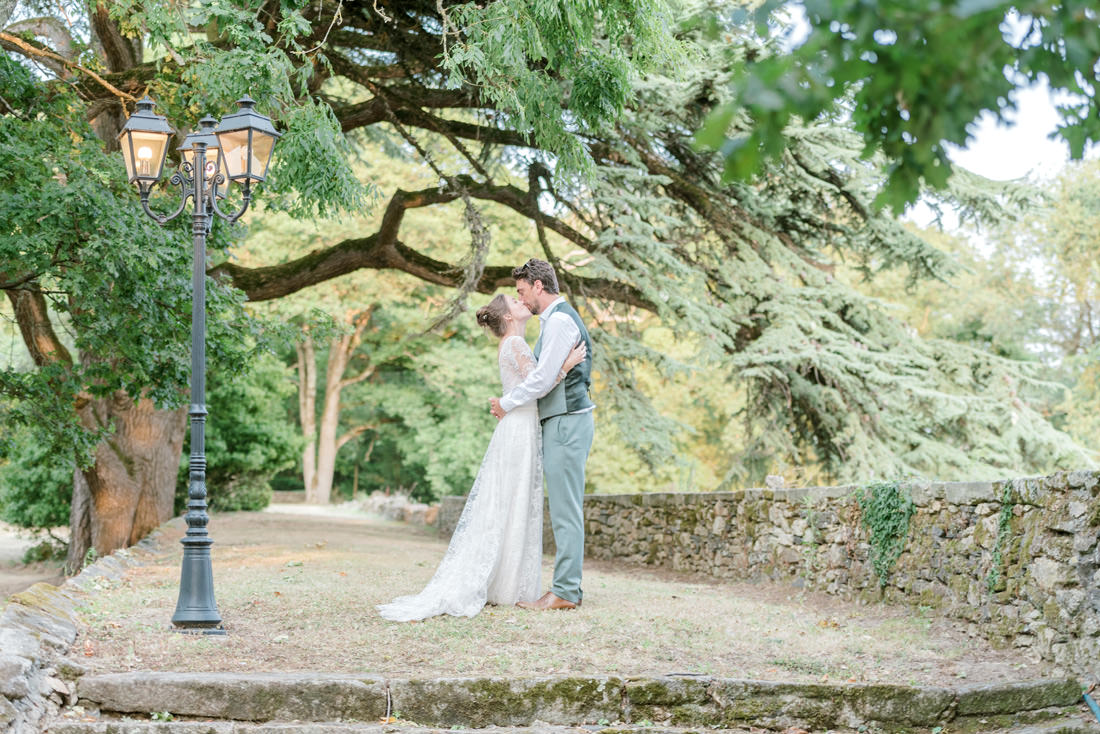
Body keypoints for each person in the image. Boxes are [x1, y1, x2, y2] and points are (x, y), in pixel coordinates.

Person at [376, 294, 586, 622]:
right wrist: (567, 366)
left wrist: (506, 399)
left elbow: (529, 385)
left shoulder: (512, 342)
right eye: (515, 302)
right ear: (509, 317)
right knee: (513, 499)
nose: (521, 302)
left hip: (519, 425)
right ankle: (505, 584)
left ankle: (505, 583)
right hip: (518, 429)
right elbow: (540, 385)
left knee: (511, 499)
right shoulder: (515, 343)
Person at [490, 259, 595, 612]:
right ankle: (565, 588)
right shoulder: (553, 322)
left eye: (522, 291)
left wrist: (506, 402)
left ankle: (565, 591)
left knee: (566, 510)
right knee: (564, 508)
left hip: (567, 421)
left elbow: (540, 379)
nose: (522, 299)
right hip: (560, 421)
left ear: (538, 286)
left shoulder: (561, 321)